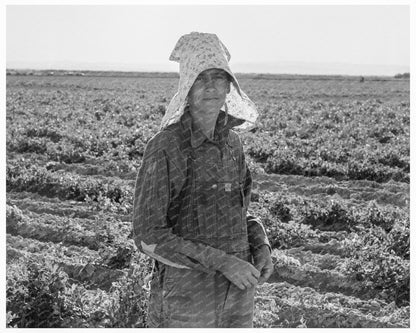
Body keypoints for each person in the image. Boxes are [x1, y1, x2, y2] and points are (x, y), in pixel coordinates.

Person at [132, 32, 273, 328]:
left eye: (218, 77)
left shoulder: (232, 144)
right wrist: (223, 262)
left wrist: (261, 245)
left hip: (238, 293)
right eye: (201, 78)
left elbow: (240, 213)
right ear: (187, 86)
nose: (210, 87)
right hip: (187, 298)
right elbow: (148, 235)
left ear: (229, 86)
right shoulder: (167, 147)